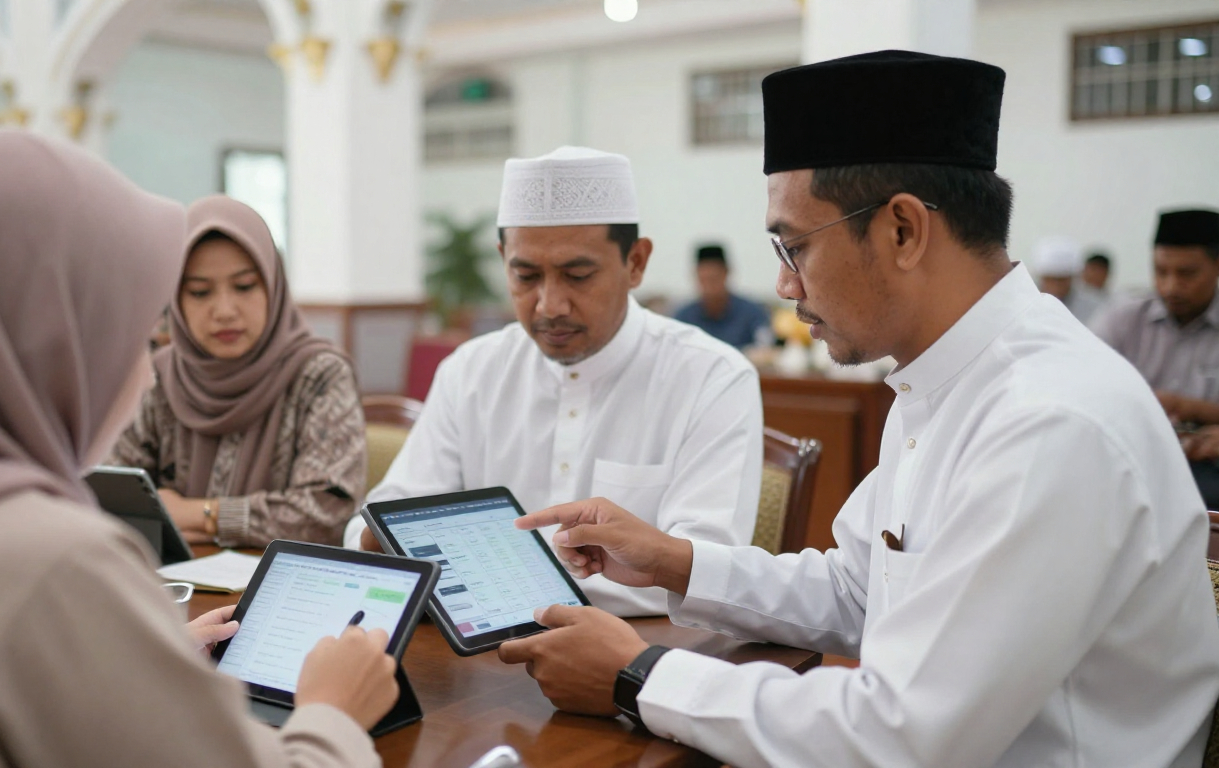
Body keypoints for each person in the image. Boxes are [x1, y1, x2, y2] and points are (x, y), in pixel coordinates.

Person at [494, 51, 1219, 768]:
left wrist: (638, 674)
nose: (783, 283)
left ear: (902, 230)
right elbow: (858, 589)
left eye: (793, 245)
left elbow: (902, 735)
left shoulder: (1050, 422)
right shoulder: (946, 383)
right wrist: (672, 561)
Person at [0, 130, 395, 767]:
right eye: (125, 325)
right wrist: (332, 714)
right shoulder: (53, 567)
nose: (149, 370)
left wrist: (129, 657)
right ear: (49, 337)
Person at [345, 146, 764, 617]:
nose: (549, 305)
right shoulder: (472, 371)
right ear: (503, 259)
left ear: (636, 263)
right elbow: (389, 513)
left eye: (578, 275)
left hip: (637, 654)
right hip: (476, 648)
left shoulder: (711, 378)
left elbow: (704, 570)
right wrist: (383, 540)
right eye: (525, 276)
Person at [109, 196, 366, 548]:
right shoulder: (159, 377)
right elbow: (117, 497)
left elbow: (324, 515)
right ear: (176, 299)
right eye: (200, 292)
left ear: (273, 287)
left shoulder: (319, 376)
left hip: (292, 589)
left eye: (244, 286)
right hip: (175, 585)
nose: (225, 311)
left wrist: (198, 514)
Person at [1094, 209, 1219, 508]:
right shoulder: (1124, 317)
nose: (1171, 286)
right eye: (1161, 271)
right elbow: (1078, 384)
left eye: (1187, 273)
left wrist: (1188, 408)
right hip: (1131, 460)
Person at [673, 244, 771, 348]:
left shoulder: (752, 313)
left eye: (714, 279)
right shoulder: (683, 316)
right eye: (704, 280)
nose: (709, 287)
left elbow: (765, 349)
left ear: (726, 273)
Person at [1032, 235, 1103, 324]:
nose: (1056, 286)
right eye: (1050, 279)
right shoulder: (1025, 301)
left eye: (1061, 280)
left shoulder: (1095, 306)